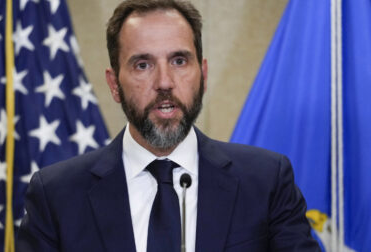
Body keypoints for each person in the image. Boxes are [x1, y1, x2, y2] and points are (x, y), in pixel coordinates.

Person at [17, 0, 320, 251]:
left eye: (179, 61)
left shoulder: (266, 182)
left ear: (202, 73)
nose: (164, 82)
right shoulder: (56, 195)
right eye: (143, 65)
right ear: (114, 85)